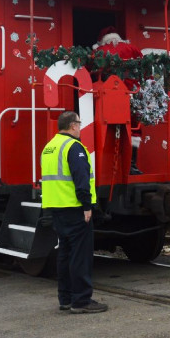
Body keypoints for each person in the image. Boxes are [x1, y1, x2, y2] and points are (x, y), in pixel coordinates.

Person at [40, 111, 108, 313]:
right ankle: (81, 301)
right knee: (80, 256)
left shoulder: (49, 147)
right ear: (72, 126)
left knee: (65, 254)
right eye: (79, 123)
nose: (80, 126)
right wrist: (87, 206)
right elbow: (81, 179)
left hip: (57, 208)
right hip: (75, 208)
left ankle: (66, 298)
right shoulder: (74, 147)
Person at [92, 26, 145, 175]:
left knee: (108, 127)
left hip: (109, 95)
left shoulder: (99, 51)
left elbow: (91, 70)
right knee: (134, 127)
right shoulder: (132, 48)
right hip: (132, 93)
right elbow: (144, 68)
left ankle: (104, 165)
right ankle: (132, 164)